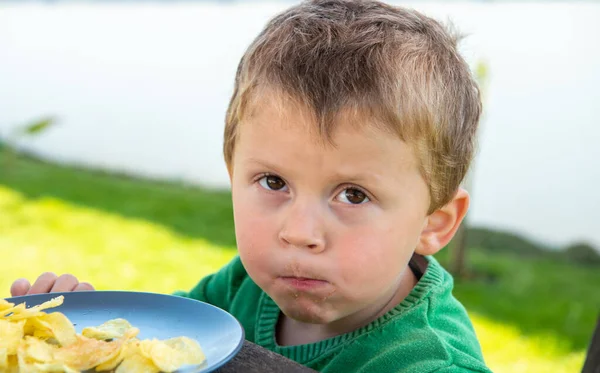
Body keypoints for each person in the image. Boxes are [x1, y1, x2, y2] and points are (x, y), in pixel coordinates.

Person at [9, 0, 492, 371]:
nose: (299, 232)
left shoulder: (429, 360)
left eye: (353, 194)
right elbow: (168, 351)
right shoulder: (243, 288)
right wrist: (78, 339)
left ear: (434, 222)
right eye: (274, 181)